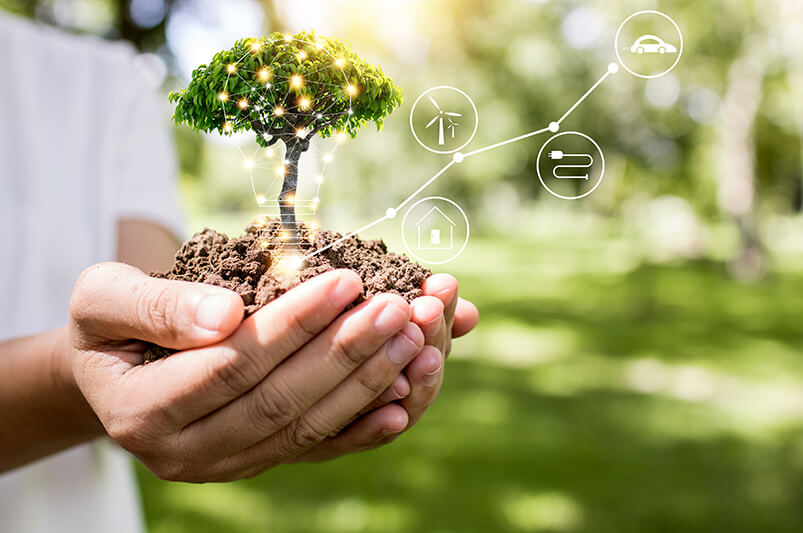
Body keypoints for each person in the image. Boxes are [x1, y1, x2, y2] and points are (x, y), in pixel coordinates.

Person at [0, 11, 479, 533]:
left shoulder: (106, 80)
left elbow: (147, 290)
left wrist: (164, 351)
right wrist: (74, 374)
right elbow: (128, 339)